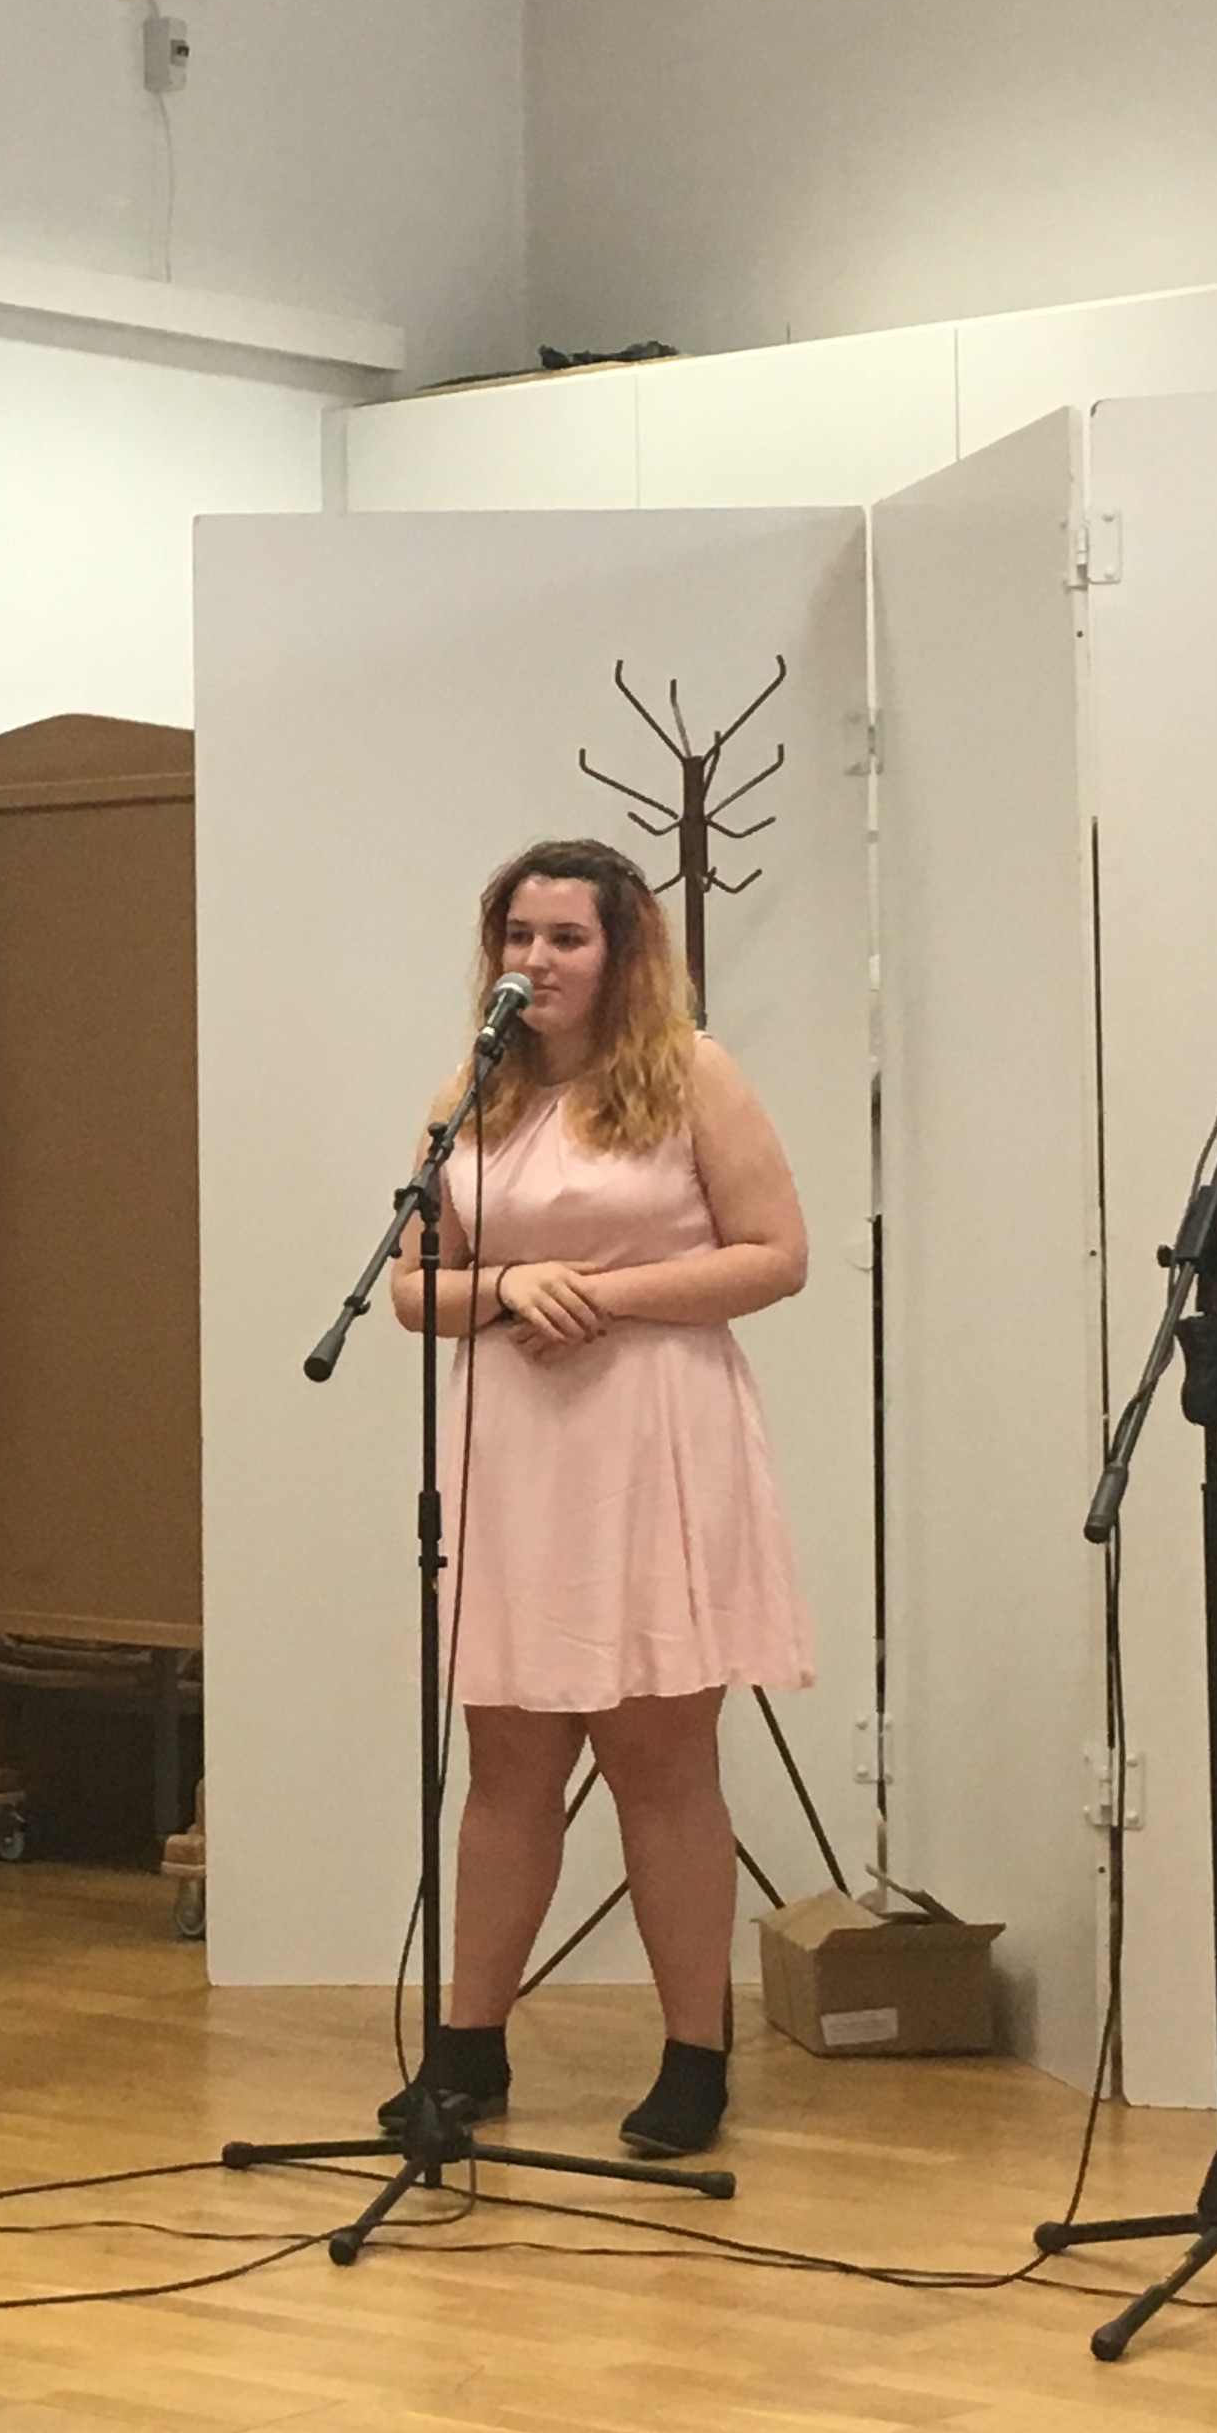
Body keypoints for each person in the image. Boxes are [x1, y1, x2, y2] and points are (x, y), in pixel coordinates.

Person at [382, 839, 815, 2158]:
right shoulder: (473, 1090)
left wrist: (600, 1295)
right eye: (517, 936)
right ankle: (468, 2049)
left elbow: (777, 1256)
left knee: (660, 1764)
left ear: (624, 952)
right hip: (514, 1449)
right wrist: (505, 1287)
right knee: (506, 1766)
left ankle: (694, 2057)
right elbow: (408, 1288)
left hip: (654, 1435)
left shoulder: (692, 1073)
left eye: (566, 938)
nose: (536, 961)